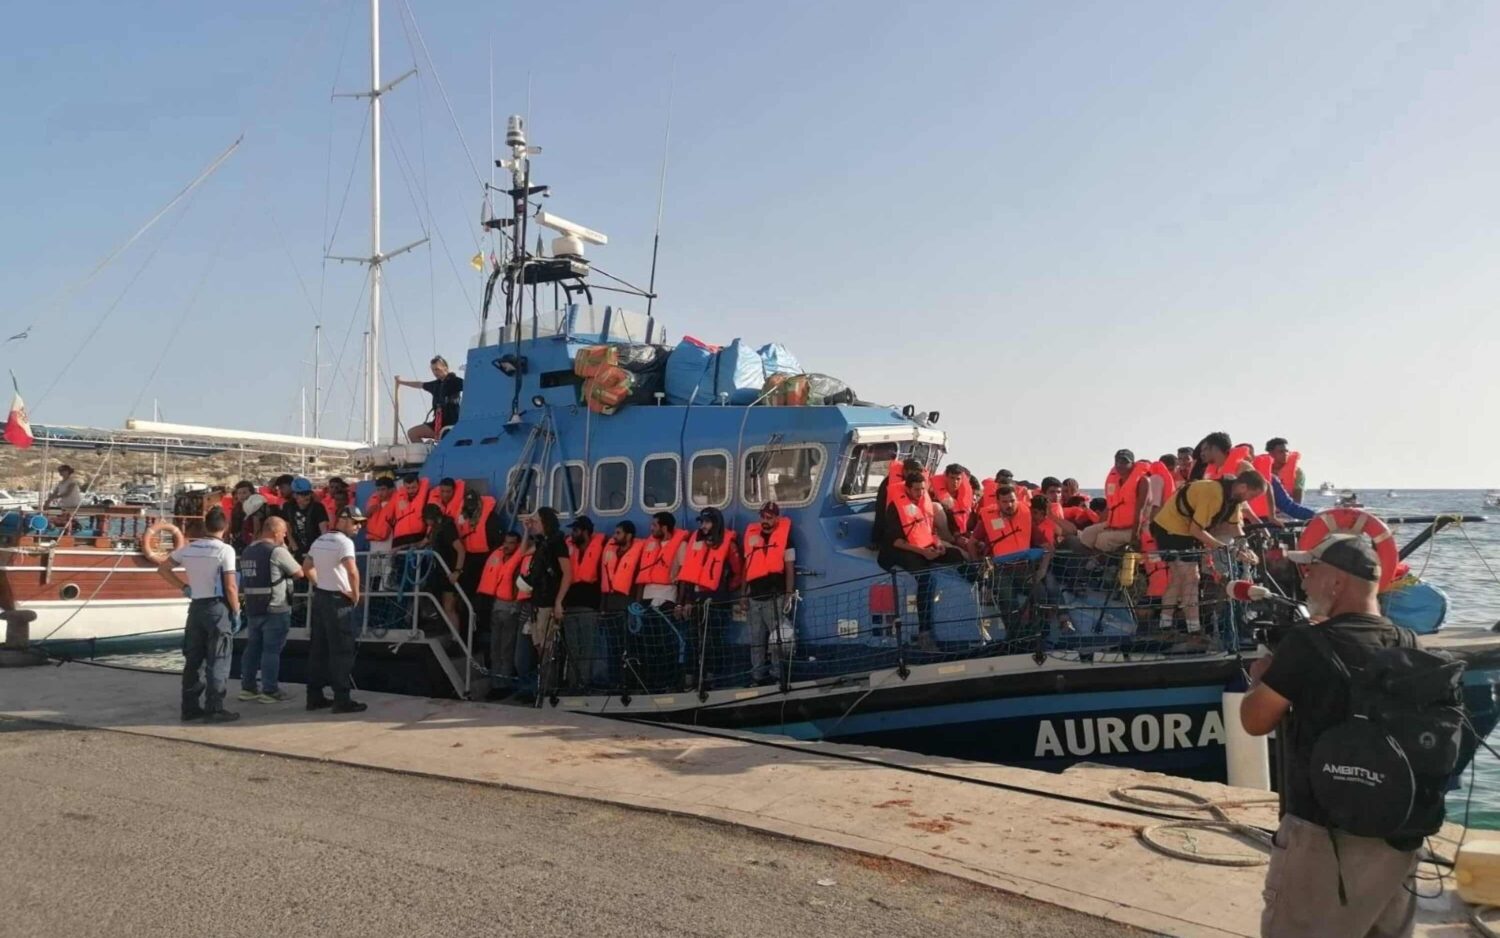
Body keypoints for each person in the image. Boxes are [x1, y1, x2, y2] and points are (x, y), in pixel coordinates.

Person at [1240, 535, 1424, 938]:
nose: (1303, 582)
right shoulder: (1408, 643)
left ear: (1336, 583)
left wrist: (1260, 679)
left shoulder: (1308, 645)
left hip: (1323, 840)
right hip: (1398, 838)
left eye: (1311, 571)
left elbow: (1255, 721)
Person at [1148, 471, 1266, 634]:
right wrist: (1225, 548)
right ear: (1243, 487)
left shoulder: (1233, 498)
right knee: (1192, 578)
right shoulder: (1214, 494)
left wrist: (1244, 547)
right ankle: (1194, 631)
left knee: (1177, 579)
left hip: (1180, 531)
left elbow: (1234, 526)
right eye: (1252, 496)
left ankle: (1164, 626)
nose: (1250, 501)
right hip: (1171, 530)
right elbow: (1196, 530)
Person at [155, 507, 240, 722]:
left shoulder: (189, 549)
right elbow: (230, 586)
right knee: (218, 658)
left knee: (193, 660)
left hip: (196, 606)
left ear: (205, 525)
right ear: (225, 526)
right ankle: (215, 708)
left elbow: (163, 569)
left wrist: (184, 587)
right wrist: (237, 611)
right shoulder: (225, 550)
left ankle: (190, 707)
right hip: (217, 607)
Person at [879, 470, 962, 649]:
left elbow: (931, 531)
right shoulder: (896, 507)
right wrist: (923, 553)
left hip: (924, 546)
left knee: (956, 555)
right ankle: (924, 632)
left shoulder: (925, 503)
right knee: (925, 577)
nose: (920, 493)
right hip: (900, 550)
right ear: (908, 489)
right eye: (917, 490)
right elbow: (896, 541)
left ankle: (982, 586)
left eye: (923, 490)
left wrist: (938, 544)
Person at [302, 505, 367, 713]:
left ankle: (314, 696)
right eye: (356, 522)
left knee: (318, 649)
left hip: (321, 598)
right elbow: (352, 571)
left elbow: (306, 568)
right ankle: (342, 699)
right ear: (343, 520)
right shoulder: (345, 543)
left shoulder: (320, 540)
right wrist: (355, 595)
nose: (359, 527)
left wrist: (320, 584)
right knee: (341, 650)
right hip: (338, 602)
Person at [237, 516, 305, 703]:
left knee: (252, 648)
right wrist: (284, 549)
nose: (284, 536)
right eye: (283, 533)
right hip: (276, 607)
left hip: (253, 607)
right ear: (275, 532)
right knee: (271, 651)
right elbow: (299, 572)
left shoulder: (248, 550)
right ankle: (270, 690)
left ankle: (248, 688)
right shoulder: (277, 551)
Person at [675, 506, 742, 689]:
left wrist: (723, 591)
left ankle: (711, 680)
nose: (703, 526)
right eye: (702, 522)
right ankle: (689, 680)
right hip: (696, 600)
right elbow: (688, 574)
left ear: (715, 523)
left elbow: (737, 572)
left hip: (717, 602)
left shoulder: (729, 544)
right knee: (692, 641)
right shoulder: (694, 543)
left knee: (714, 642)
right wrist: (686, 601)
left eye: (707, 522)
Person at [741, 502, 796, 684]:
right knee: (756, 641)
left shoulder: (786, 539)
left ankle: (777, 675)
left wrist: (788, 593)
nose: (765, 520)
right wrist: (743, 594)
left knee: (777, 640)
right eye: (763, 516)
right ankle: (757, 676)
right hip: (754, 597)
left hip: (775, 597)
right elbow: (746, 567)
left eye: (769, 517)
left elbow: (789, 568)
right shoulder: (751, 537)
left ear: (777, 518)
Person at [523, 507, 571, 692]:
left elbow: (567, 574)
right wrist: (527, 530)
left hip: (548, 602)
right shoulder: (543, 543)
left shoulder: (558, 544)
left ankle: (549, 689)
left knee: (548, 649)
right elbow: (523, 552)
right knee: (539, 647)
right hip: (537, 601)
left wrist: (559, 601)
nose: (533, 524)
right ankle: (543, 687)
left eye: (535, 521)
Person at [477, 530, 526, 699]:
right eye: (506, 542)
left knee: (506, 649)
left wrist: (526, 530)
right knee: (494, 649)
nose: (507, 546)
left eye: (511, 543)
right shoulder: (500, 557)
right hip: (497, 607)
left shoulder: (518, 563)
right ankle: (495, 683)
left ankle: (503, 685)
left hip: (510, 609)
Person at [563, 516, 606, 687]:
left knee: (588, 648)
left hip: (589, 605)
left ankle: (585, 683)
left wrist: (602, 606)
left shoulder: (600, 549)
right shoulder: (568, 550)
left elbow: (604, 578)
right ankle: (573, 683)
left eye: (575, 530)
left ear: (585, 532)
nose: (572, 533)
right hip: (570, 605)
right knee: (573, 648)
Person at [1080, 450, 1151, 553]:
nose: (1119, 465)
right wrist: (1099, 525)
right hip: (1115, 525)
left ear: (1133, 464)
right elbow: (1110, 506)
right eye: (1117, 462)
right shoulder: (1115, 482)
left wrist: (1135, 536)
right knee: (1087, 533)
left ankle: (1100, 565)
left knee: (1103, 539)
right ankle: (1088, 562)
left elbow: (1140, 510)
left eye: (1124, 462)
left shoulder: (1143, 481)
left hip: (1135, 528)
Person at [415, 502, 465, 627]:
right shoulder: (435, 528)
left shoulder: (447, 528)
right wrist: (403, 548)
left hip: (450, 572)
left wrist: (457, 571)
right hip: (440, 572)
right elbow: (423, 543)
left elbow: (461, 550)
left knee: (449, 607)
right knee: (430, 593)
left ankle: (456, 639)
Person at [397, 355, 463, 442]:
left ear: (445, 368)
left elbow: (472, 386)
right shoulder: (435, 385)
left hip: (452, 424)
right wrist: (401, 382)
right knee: (412, 433)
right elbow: (420, 384)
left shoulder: (456, 382)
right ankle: (429, 454)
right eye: (433, 370)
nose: (435, 372)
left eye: (437, 369)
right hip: (437, 424)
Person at [636, 511, 688, 609]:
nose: (651, 528)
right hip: (646, 596)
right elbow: (642, 574)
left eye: (654, 525)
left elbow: (683, 578)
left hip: (667, 596)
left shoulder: (681, 546)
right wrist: (638, 602)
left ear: (664, 528)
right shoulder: (650, 545)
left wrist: (679, 603)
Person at [283, 477, 330, 563]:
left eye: (308, 493)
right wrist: (293, 545)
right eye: (303, 494)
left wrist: (321, 547)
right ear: (294, 495)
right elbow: (287, 528)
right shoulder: (288, 507)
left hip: (315, 549)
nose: (307, 497)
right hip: (297, 549)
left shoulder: (318, 507)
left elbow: (324, 530)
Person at [362, 477, 397, 590]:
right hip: (374, 543)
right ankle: (374, 596)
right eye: (378, 490)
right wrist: (368, 513)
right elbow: (360, 523)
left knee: (387, 572)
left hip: (389, 542)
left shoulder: (396, 502)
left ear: (391, 490)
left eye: (383, 489)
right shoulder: (373, 503)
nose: (380, 493)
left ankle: (384, 593)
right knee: (374, 573)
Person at [930, 464, 975, 538]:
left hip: (962, 533)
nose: (955, 482)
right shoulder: (933, 494)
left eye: (958, 479)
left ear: (962, 480)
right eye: (952, 478)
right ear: (946, 477)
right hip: (941, 534)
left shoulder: (967, 499)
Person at [389, 472, 429, 548]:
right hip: (399, 538)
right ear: (404, 487)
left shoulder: (424, 494)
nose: (411, 491)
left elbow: (425, 481)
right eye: (408, 488)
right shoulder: (397, 496)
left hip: (417, 537)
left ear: (419, 485)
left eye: (414, 487)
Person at [1266, 437, 1305, 504]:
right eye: (1281, 452)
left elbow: (1298, 501)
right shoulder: (1259, 469)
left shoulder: (1298, 473)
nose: (1285, 454)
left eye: (1287, 451)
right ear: (1271, 453)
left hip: (1287, 510)